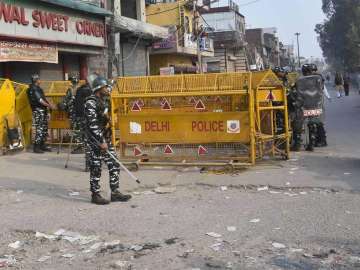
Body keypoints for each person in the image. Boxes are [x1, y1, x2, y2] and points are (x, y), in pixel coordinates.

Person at [84, 75, 131, 205]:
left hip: (105, 139)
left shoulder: (103, 100)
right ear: (99, 88)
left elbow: (103, 117)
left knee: (114, 164)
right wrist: (101, 141)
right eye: (105, 87)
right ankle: (95, 194)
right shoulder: (90, 103)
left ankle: (115, 192)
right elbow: (92, 124)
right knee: (96, 167)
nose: (107, 89)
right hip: (95, 141)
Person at [27, 74, 56, 153]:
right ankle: (36, 147)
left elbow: (43, 98)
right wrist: (50, 106)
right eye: (39, 79)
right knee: (40, 129)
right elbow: (40, 100)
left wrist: (48, 105)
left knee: (44, 128)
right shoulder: (33, 89)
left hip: (42, 110)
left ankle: (42, 145)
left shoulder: (38, 88)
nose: (40, 80)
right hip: (38, 110)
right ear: (36, 80)